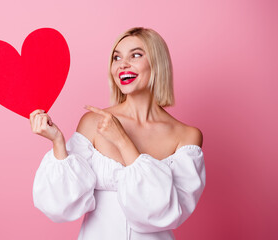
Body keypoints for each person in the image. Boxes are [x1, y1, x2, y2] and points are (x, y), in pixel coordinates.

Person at [30, 27, 206, 240]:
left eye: (136, 55)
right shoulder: (93, 122)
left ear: (157, 63)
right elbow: (61, 206)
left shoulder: (186, 136)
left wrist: (122, 140)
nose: (123, 64)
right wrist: (58, 142)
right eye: (117, 57)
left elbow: (167, 213)